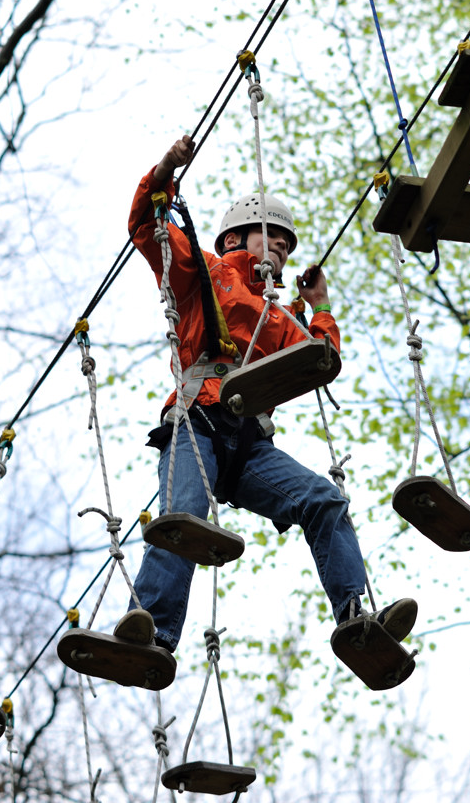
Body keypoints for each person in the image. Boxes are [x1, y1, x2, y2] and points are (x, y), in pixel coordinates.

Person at [115, 134, 417, 671]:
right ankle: (151, 636)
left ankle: (355, 617)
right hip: (197, 421)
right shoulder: (205, 271)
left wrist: (318, 307)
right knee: (183, 515)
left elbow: (320, 360)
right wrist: (164, 170)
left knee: (323, 499)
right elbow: (145, 225)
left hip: (250, 443)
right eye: (270, 235)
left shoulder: (280, 316)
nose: (279, 246)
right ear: (236, 237)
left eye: (286, 242)